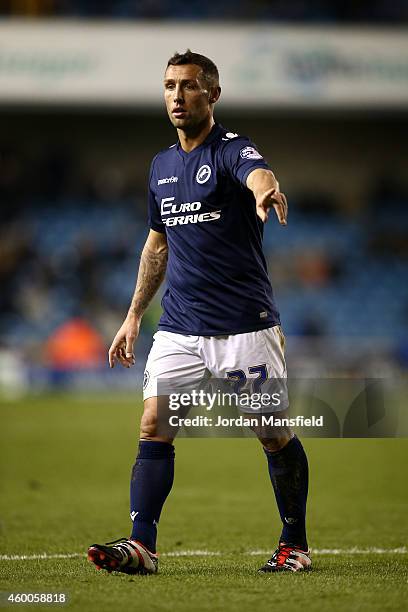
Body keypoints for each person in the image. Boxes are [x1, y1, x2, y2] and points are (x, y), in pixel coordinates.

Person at [87, 50, 310, 575]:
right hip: (179, 327)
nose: (177, 96)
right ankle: (143, 546)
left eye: (188, 86)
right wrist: (134, 314)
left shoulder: (232, 149)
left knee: (272, 432)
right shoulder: (161, 167)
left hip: (245, 325)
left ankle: (294, 543)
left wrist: (266, 189)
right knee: (152, 424)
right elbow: (156, 246)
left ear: (212, 93)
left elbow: (257, 172)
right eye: (169, 86)